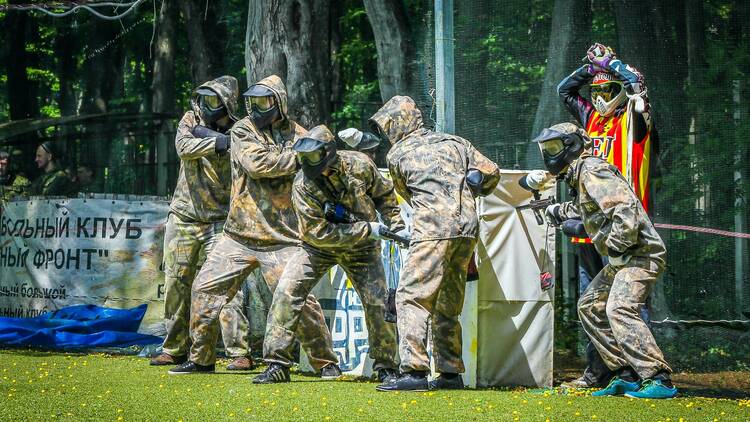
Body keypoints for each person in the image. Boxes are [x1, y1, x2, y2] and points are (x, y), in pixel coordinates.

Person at [168, 75, 339, 376]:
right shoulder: (243, 130)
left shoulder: (298, 133)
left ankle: (326, 363)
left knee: (298, 299)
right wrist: (299, 159)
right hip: (238, 236)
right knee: (204, 290)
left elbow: (318, 165)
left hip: (282, 237)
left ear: (279, 103)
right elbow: (257, 165)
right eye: (252, 102)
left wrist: (305, 157)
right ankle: (201, 359)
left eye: (263, 102)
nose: (256, 108)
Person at [535, 122, 676, 399]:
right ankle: (626, 374)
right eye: (546, 149)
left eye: (553, 147)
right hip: (624, 256)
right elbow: (587, 208)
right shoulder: (581, 176)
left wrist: (613, 245)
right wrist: (558, 211)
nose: (549, 154)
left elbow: (625, 212)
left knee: (619, 308)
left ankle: (659, 378)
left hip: (639, 254)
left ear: (573, 145)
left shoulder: (592, 170)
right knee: (590, 306)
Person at [368, 96, 500, 392]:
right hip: (466, 228)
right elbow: (491, 172)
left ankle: (414, 372)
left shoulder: (397, 154)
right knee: (447, 301)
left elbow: (405, 192)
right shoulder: (456, 142)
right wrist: (474, 185)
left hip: (431, 230)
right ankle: (450, 373)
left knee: (411, 297)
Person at [255, 125, 402, 384]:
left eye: (312, 157)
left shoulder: (360, 164)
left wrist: (397, 226)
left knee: (378, 302)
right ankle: (276, 363)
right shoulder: (302, 184)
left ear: (328, 151)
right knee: (287, 290)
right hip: (317, 248)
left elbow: (385, 196)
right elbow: (317, 233)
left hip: (362, 250)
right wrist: (366, 229)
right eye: (303, 157)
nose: (307, 163)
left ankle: (387, 366)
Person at [557, 42, 654, 388]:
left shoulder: (634, 118)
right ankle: (601, 373)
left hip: (624, 229)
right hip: (590, 227)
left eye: (607, 89)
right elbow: (564, 90)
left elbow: (638, 88)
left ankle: (644, 373)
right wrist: (590, 68)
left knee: (627, 304)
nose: (599, 96)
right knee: (592, 304)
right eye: (595, 91)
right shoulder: (591, 118)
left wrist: (613, 64)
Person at [150, 76, 253, 371]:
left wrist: (212, 138)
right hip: (184, 216)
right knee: (175, 284)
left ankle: (239, 353)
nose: (204, 106)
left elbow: (238, 150)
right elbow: (183, 147)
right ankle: (174, 348)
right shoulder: (189, 118)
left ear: (226, 104)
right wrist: (217, 142)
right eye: (203, 99)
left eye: (213, 101)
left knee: (228, 287)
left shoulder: (241, 128)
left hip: (221, 220)